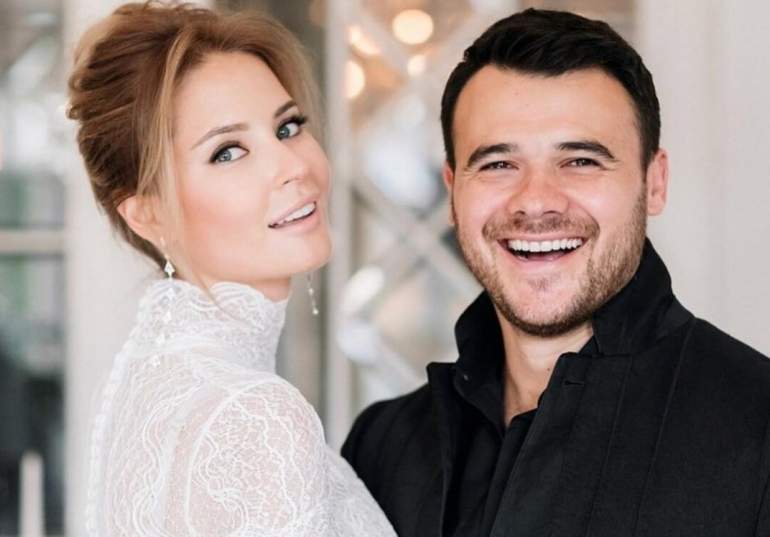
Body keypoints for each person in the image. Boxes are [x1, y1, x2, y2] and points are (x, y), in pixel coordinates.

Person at [342, 8, 770, 537]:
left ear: (654, 183)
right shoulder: (381, 449)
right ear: (453, 192)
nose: (536, 201)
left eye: (581, 161)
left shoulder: (760, 429)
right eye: (498, 164)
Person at [67, 2, 396, 536]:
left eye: (288, 127)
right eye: (228, 152)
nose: (294, 167)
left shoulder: (156, 383)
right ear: (149, 214)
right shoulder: (255, 415)